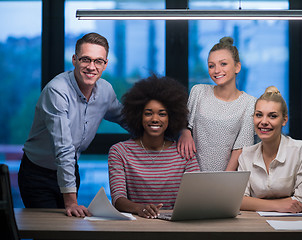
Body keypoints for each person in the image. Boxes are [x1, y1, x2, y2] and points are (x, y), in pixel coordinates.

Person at [18, 32, 123, 217]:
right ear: (74, 60)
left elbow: (127, 118)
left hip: (70, 169)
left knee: (69, 227)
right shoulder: (57, 91)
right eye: (85, 60)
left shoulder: (106, 90)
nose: (92, 67)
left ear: (105, 64)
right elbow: (64, 147)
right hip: (38, 174)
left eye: (98, 61)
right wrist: (71, 202)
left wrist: (177, 132)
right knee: (49, 231)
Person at [108, 75, 200, 219]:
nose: (155, 119)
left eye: (162, 114)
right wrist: (140, 208)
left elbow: (196, 196)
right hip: (135, 225)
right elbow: (118, 199)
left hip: (175, 225)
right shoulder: (119, 152)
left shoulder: (184, 151)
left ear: (171, 118)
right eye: (148, 113)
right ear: (139, 116)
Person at [177, 37, 256, 171]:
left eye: (223, 64)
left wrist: (222, 183)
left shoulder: (249, 102)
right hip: (191, 173)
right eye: (211, 65)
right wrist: (184, 132)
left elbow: (240, 149)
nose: (216, 70)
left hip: (226, 179)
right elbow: (184, 125)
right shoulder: (198, 91)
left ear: (237, 67)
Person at [238, 86, 302, 213]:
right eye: (259, 115)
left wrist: (254, 203)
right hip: (255, 225)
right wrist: (280, 205)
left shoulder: (300, 150)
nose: (263, 121)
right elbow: (239, 200)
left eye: (272, 116)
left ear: (284, 120)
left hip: (293, 226)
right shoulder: (246, 154)